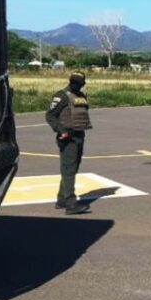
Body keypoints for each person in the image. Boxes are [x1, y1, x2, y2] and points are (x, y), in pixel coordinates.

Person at [45, 71, 93, 215]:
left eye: (78, 82)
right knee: (69, 169)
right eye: (73, 81)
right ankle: (71, 203)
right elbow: (50, 115)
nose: (75, 84)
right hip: (67, 136)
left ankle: (61, 199)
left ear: (83, 84)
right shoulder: (62, 96)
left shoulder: (81, 96)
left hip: (79, 134)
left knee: (72, 168)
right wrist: (61, 130)